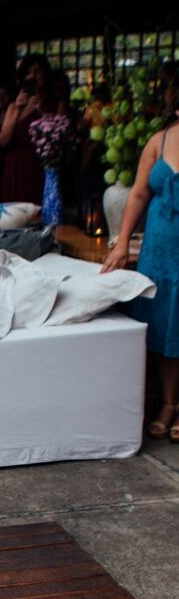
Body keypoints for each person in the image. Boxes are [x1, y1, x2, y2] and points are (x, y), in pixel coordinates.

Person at [102, 114, 179, 440]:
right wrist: (122, 242)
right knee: (164, 325)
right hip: (160, 249)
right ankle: (168, 402)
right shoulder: (159, 140)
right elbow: (137, 194)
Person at [0, 54, 53, 204]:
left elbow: (55, 133)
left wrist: (39, 108)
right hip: (16, 167)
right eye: (28, 72)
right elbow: (3, 141)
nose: (33, 76)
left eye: (37, 71)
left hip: (40, 164)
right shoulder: (13, 106)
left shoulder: (52, 103)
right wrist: (18, 109)